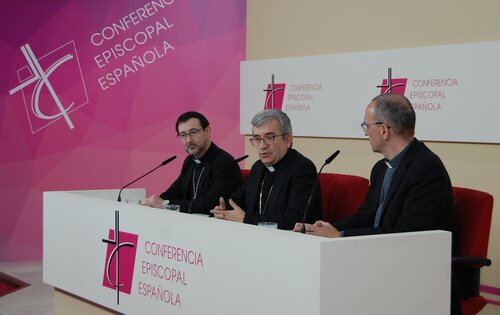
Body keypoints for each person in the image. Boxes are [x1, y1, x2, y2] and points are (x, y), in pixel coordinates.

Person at [294, 93, 453, 237]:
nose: (365, 132)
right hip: (377, 251)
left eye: (366, 126)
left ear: (383, 130)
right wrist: (327, 229)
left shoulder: (426, 169)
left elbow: (406, 234)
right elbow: (365, 217)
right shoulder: (380, 168)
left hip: (411, 260)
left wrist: (339, 236)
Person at [210, 109, 321, 230]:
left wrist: (247, 219)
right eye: (257, 139)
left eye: (270, 137)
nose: (262, 145)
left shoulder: (302, 168)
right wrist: (224, 208)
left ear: (288, 140)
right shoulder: (258, 167)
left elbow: (295, 219)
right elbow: (237, 201)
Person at [145, 111, 242, 215]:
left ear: (207, 131)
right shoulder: (190, 161)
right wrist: (153, 203)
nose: (188, 140)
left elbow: (209, 205)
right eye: (183, 135)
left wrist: (165, 204)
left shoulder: (225, 163)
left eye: (193, 132)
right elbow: (174, 191)